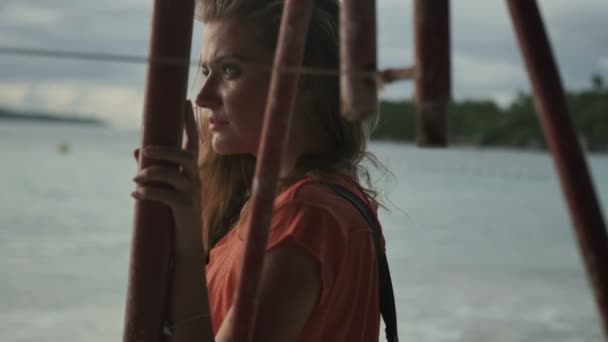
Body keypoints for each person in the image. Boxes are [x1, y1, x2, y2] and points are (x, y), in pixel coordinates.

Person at [131, 0, 392, 341]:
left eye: (230, 71)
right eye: (207, 72)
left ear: (304, 81)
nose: (203, 97)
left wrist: (186, 241)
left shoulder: (305, 218)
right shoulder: (326, 199)